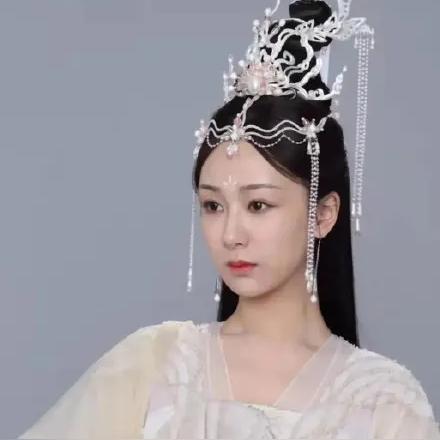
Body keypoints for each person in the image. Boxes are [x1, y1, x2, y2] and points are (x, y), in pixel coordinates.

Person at [19, 0, 440, 439]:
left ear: (323, 214)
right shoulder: (155, 365)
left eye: (258, 205)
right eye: (213, 205)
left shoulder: (383, 401)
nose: (230, 235)